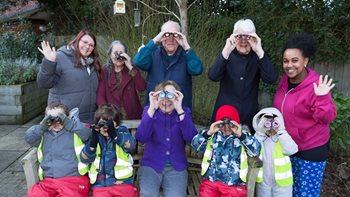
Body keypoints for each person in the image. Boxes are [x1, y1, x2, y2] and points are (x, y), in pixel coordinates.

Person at [273, 33, 337, 197]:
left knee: (305, 194)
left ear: (305, 61)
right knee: (287, 192)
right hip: (287, 148)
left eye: (295, 60)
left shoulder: (316, 86)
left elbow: (327, 118)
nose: (289, 65)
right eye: (286, 61)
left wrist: (322, 98)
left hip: (309, 150)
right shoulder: (285, 81)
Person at [208, 18, 278, 132]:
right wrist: (226, 50)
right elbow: (213, 76)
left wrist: (260, 51)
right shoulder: (227, 55)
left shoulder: (257, 57)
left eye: (248, 37)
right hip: (225, 117)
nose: (243, 41)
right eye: (239, 36)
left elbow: (271, 78)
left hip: (248, 117)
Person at [135, 80, 197, 197]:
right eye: (162, 95)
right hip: (151, 165)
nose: (166, 100)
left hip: (176, 167)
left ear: (178, 97)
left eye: (171, 96)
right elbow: (141, 137)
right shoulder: (150, 111)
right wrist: (152, 109)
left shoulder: (184, 112)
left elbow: (192, 139)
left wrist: (179, 110)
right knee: (148, 194)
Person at [191, 105, 261, 197]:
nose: (227, 127)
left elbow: (256, 151)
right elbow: (195, 146)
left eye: (230, 124)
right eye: (222, 124)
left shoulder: (243, 136)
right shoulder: (212, 135)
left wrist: (241, 136)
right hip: (211, 181)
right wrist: (209, 133)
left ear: (236, 123)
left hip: (234, 183)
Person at [133, 20, 203, 109]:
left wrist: (186, 46)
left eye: (175, 35)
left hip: (179, 110)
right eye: (166, 34)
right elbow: (138, 62)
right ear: (161, 36)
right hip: (154, 109)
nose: (171, 39)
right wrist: (154, 41)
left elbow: (197, 70)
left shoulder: (187, 55)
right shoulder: (152, 53)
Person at [25, 103, 91, 197]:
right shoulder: (44, 134)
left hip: (74, 179)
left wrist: (69, 123)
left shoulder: (75, 131)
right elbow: (29, 138)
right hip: (49, 180)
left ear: (67, 117)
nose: (56, 122)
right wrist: (41, 127)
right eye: (51, 119)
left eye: (59, 118)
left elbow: (89, 133)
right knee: (35, 194)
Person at [37, 29, 101, 123]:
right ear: (77, 40)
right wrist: (49, 62)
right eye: (85, 42)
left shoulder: (92, 63)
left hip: (88, 120)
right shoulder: (60, 57)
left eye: (91, 45)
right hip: (65, 120)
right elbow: (43, 83)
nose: (87, 46)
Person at [80, 104, 138, 197]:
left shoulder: (122, 132)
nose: (106, 127)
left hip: (123, 183)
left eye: (110, 124)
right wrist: (93, 143)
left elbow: (131, 146)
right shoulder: (95, 136)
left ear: (117, 124)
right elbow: (84, 159)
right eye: (102, 124)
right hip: (101, 185)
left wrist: (115, 135)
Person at [252, 107, 298, 197]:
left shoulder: (282, 138)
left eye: (275, 123)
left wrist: (281, 131)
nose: (271, 127)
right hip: (263, 182)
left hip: (283, 182)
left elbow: (292, 150)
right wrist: (260, 131)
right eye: (267, 123)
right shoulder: (259, 138)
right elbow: (252, 150)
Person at [96, 40, 146, 119]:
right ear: (110, 55)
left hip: (132, 115)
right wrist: (105, 113)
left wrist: (130, 66)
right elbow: (100, 96)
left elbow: (142, 87)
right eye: (115, 53)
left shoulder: (132, 68)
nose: (118, 56)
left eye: (121, 53)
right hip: (113, 116)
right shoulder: (105, 70)